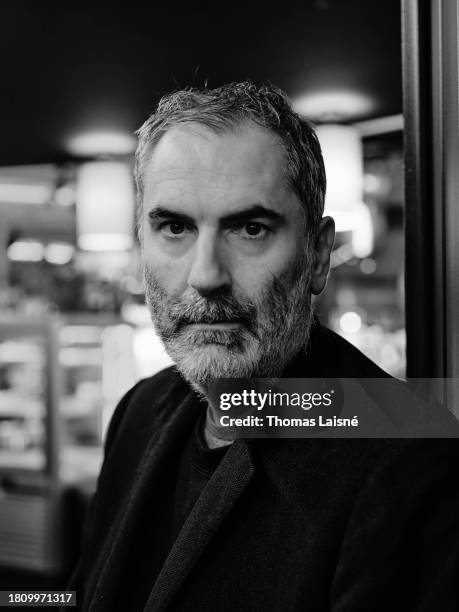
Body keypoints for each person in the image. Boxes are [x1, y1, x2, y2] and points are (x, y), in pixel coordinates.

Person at [71, 82, 459, 611]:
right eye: (175, 227)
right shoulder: (140, 409)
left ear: (318, 253)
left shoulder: (409, 458)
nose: (206, 275)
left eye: (250, 228)